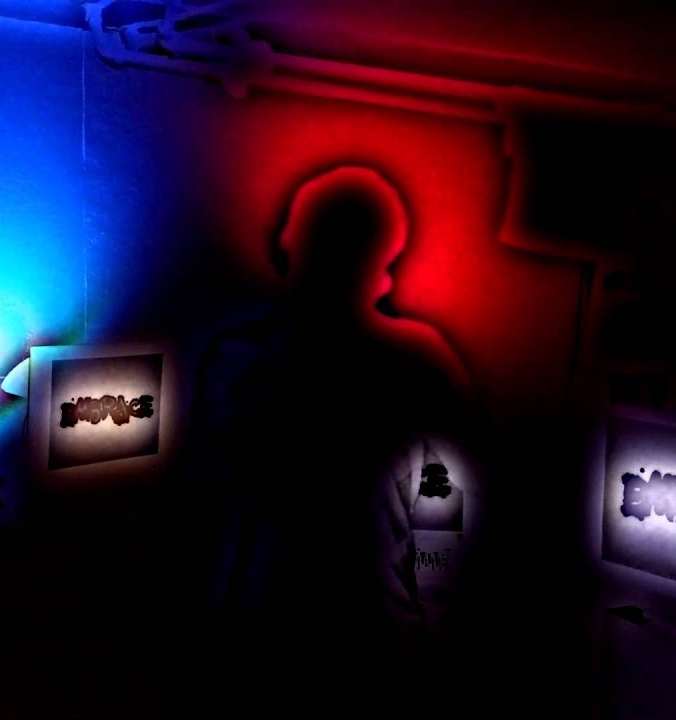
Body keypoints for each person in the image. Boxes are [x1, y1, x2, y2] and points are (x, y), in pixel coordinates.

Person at [191, 166, 472, 710]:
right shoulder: (419, 363)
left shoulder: (239, 360)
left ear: (292, 243)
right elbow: (453, 507)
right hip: (349, 630)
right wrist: (433, 607)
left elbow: (205, 497)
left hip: (285, 629)